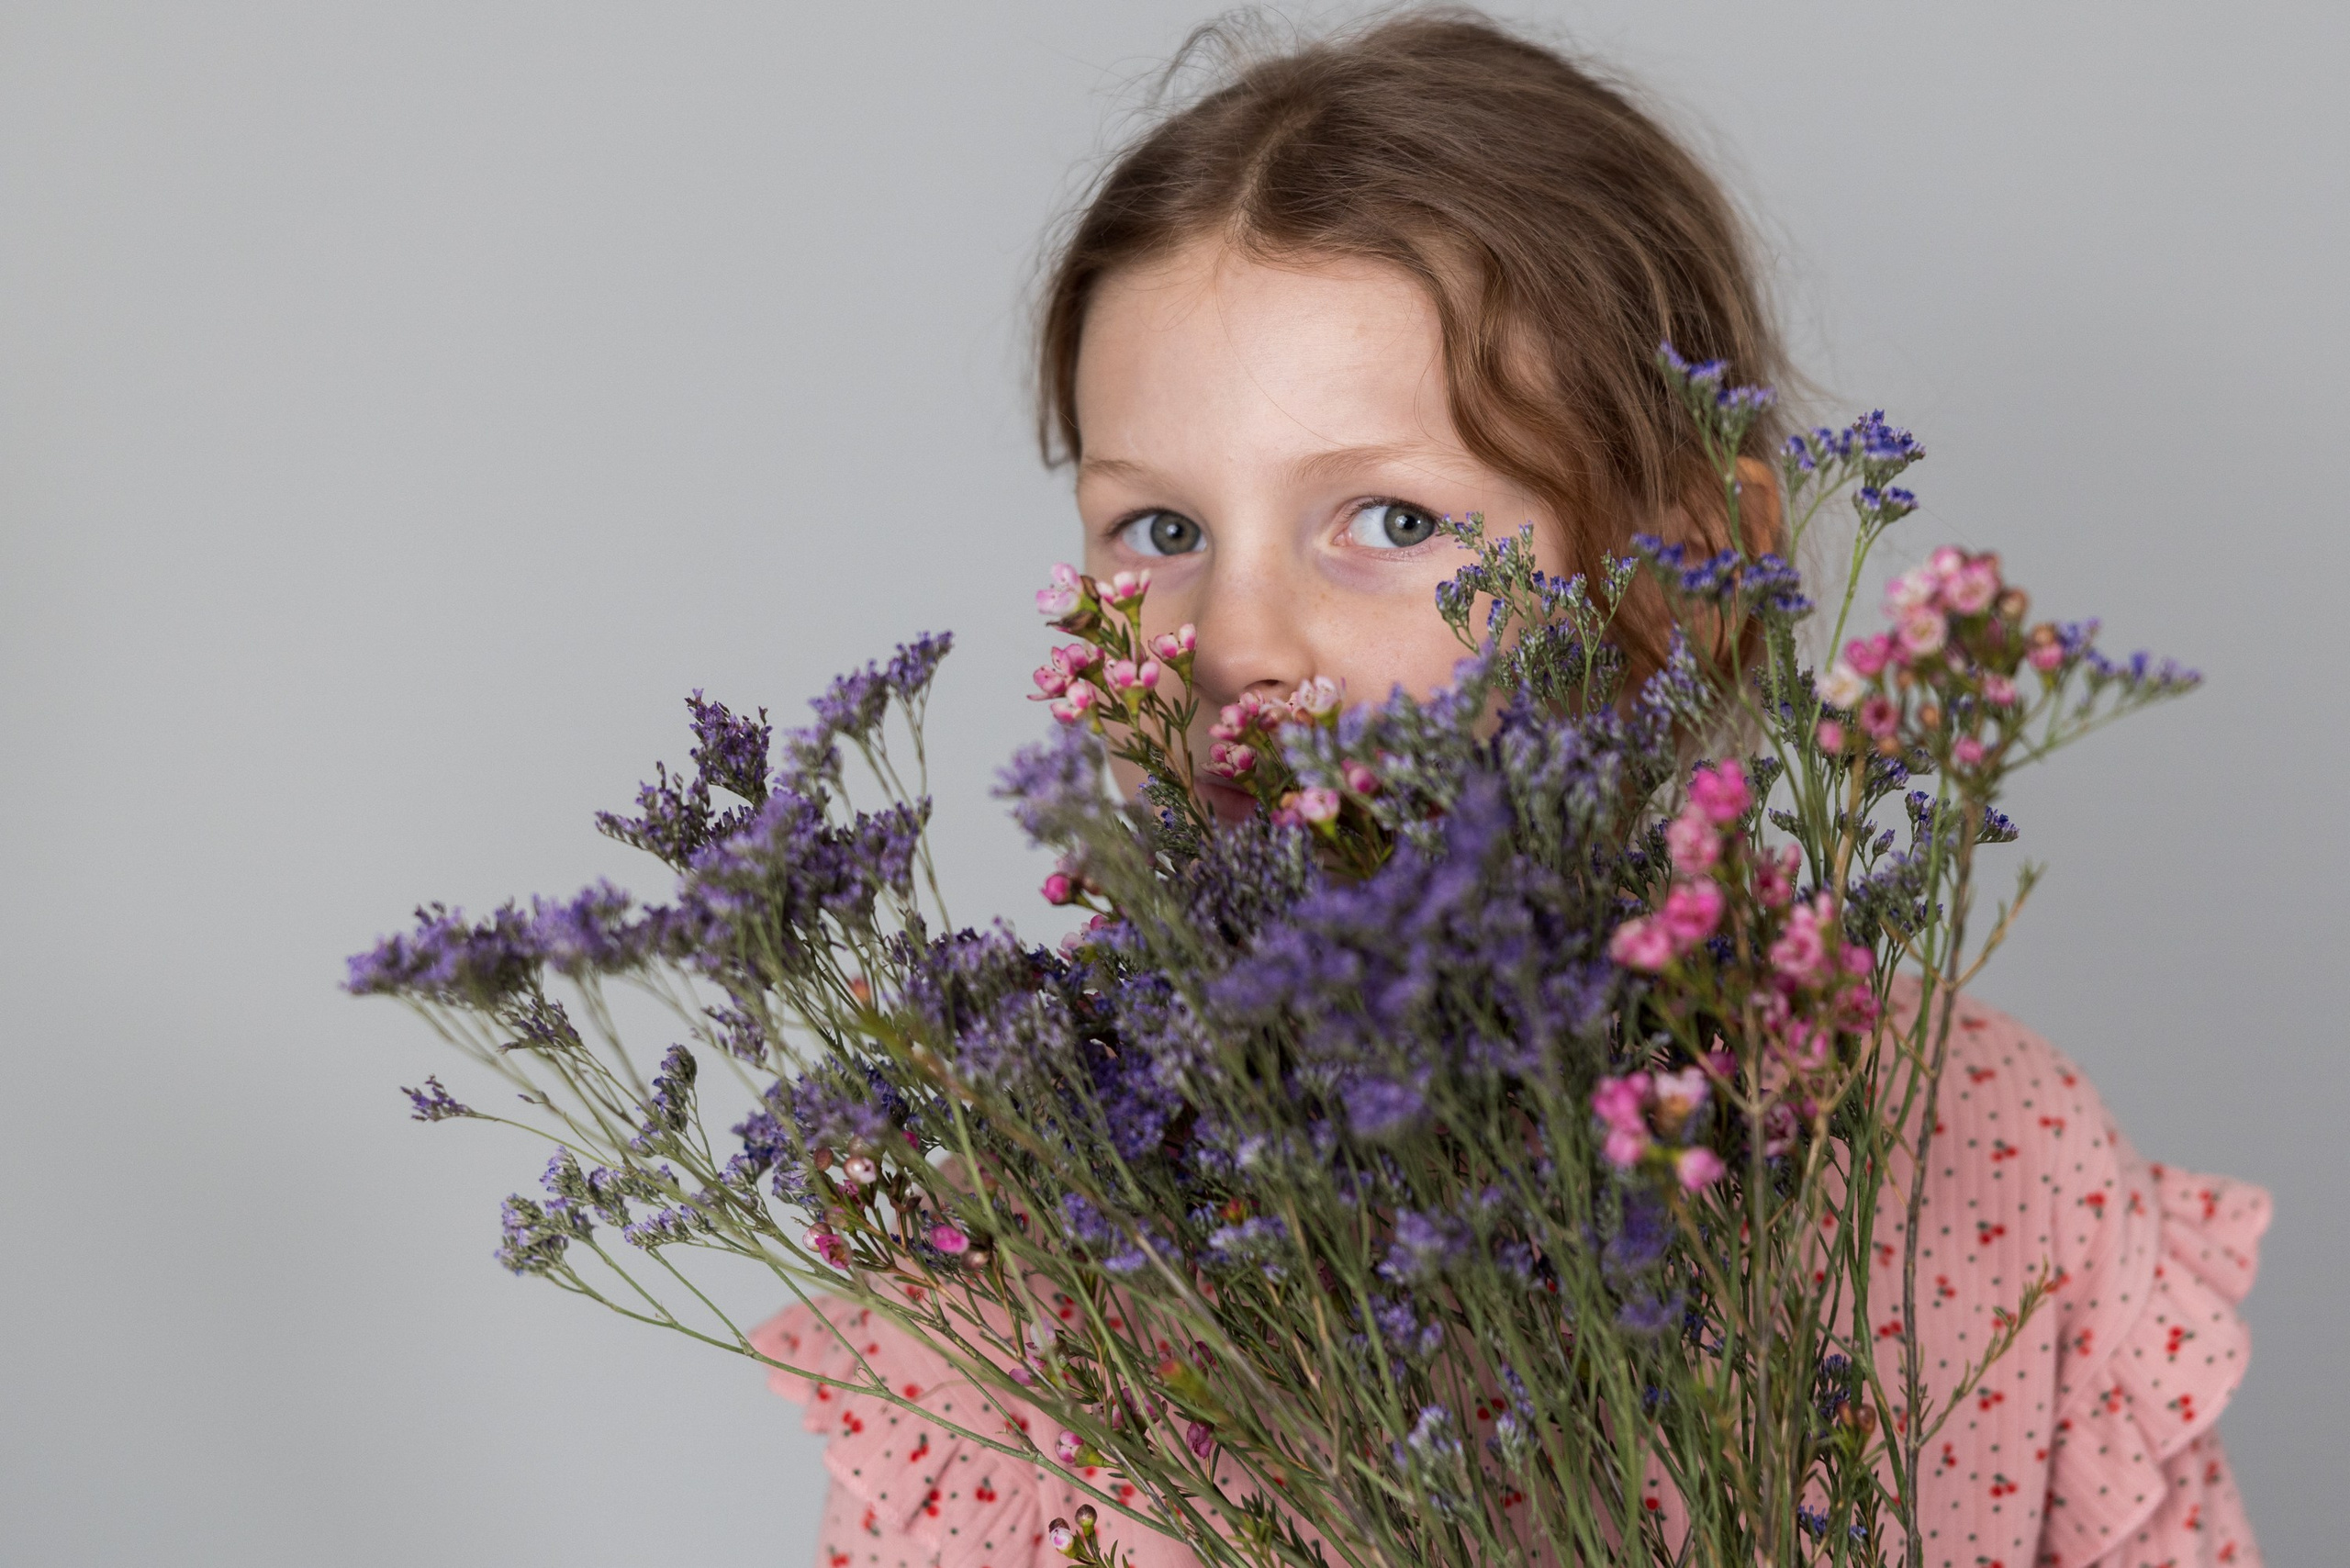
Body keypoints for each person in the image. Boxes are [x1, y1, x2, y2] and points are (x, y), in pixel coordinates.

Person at [751, 14, 2268, 1567]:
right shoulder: (1021, 1261)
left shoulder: (1993, 1159)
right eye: (1159, 531)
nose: (1236, 645)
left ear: (1690, 572)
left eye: (1392, 520)